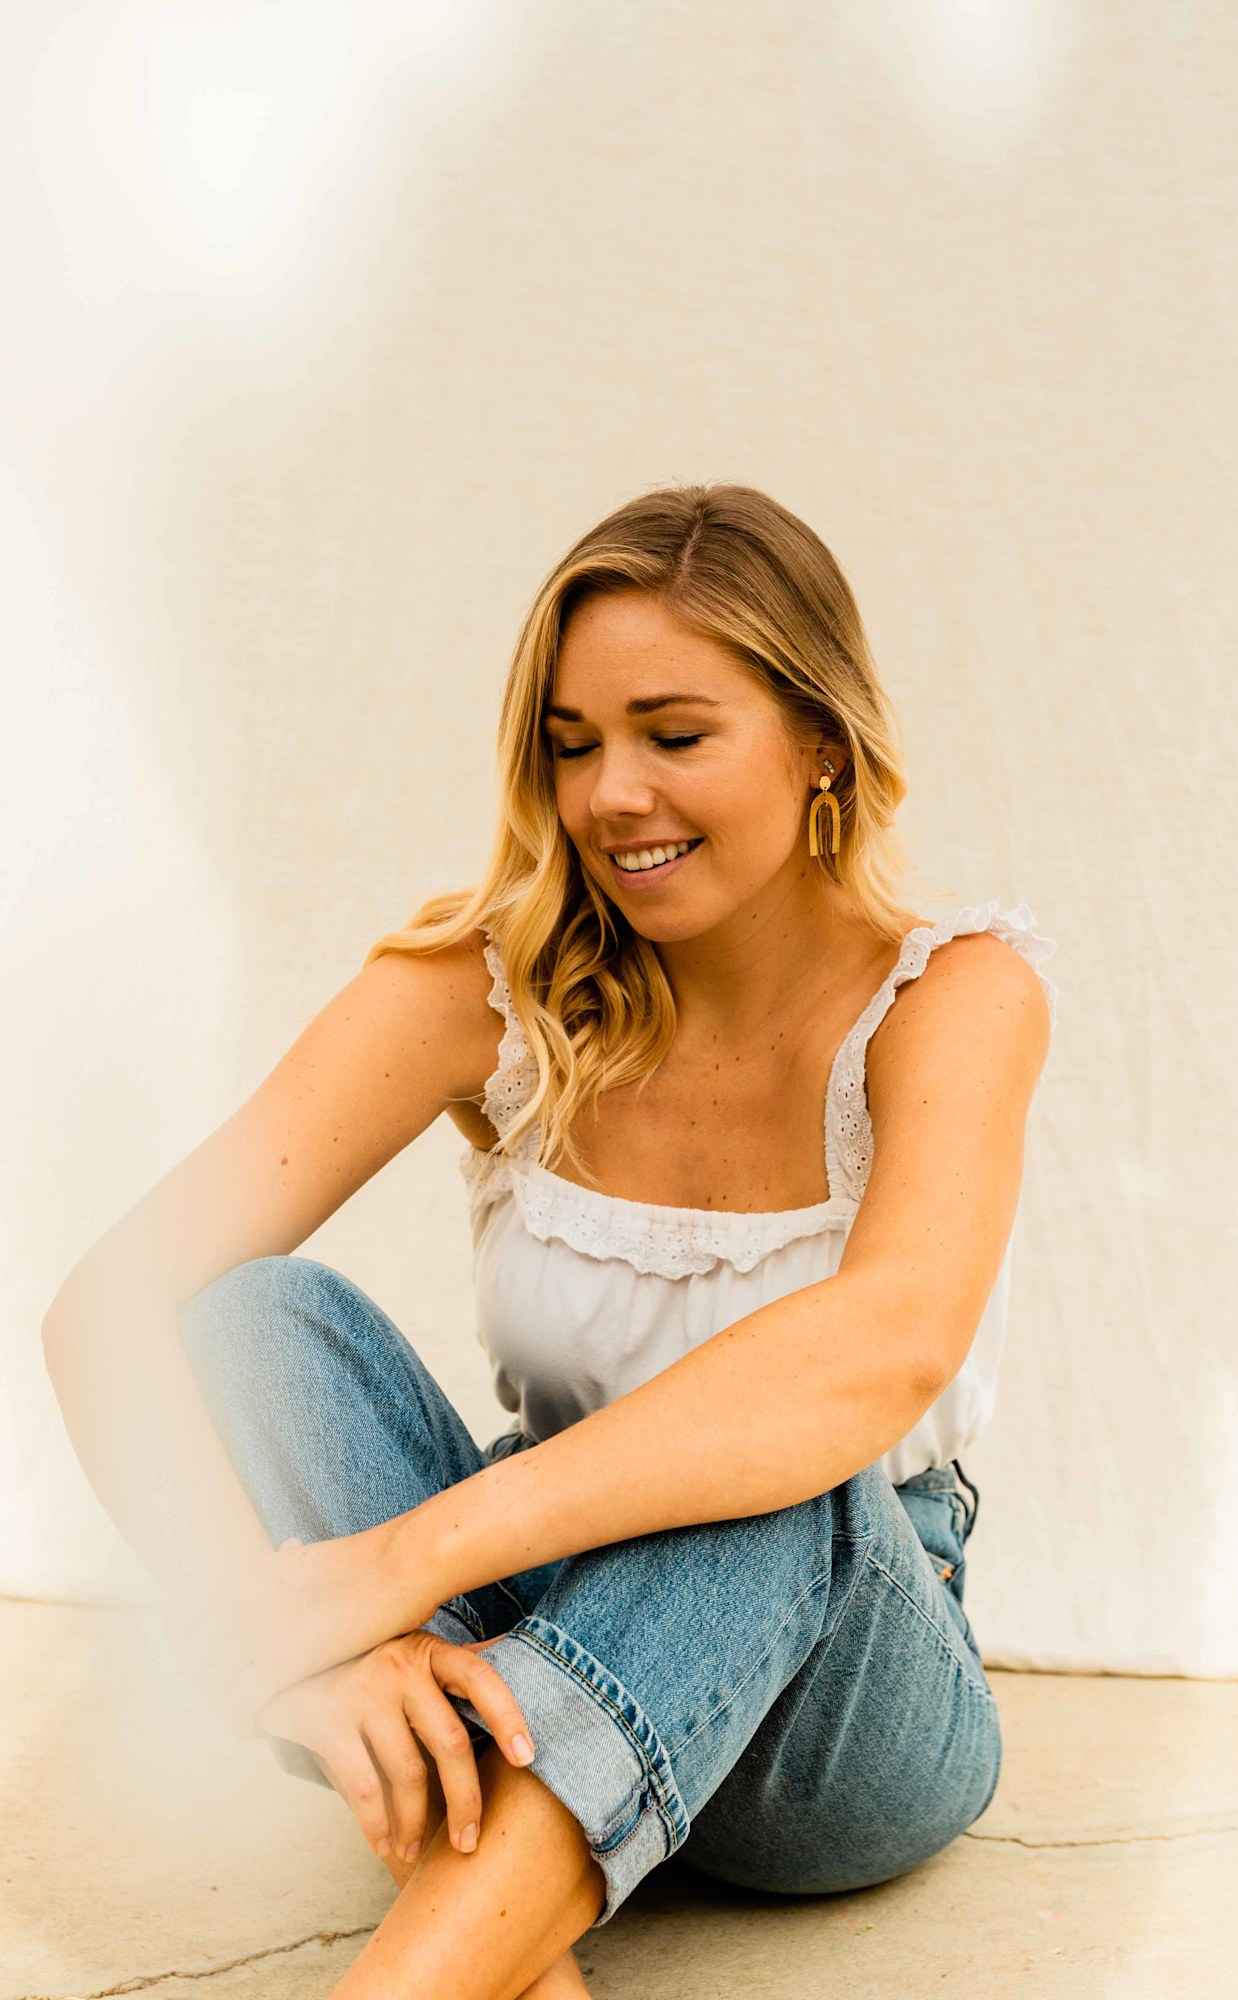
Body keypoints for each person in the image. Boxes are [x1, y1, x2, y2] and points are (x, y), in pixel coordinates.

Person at [42, 482, 1058, 2000]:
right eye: (571, 745)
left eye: (674, 733)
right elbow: (107, 1306)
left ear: (819, 740)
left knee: (779, 1430)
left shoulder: (953, 997)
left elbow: (883, 1349)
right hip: (518, 1646)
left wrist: (387, 1570)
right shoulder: (484, 983)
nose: (609, 796)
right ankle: (512, 1920)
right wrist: (309, 1652)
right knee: (251, 1316)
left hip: (837, 1710)